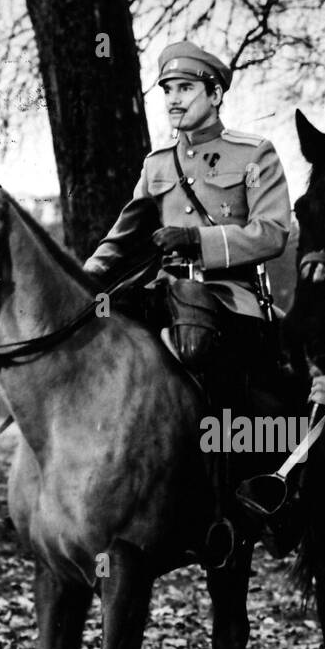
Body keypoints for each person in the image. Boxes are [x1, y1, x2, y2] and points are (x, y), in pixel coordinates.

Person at [84, 41, 298, 565]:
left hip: (231, 296)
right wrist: (82, 282)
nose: (174, 100)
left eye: (185, 89)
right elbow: (123, 236)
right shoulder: (158, 165)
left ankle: (232, 511)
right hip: (164, 290)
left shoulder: (255, 153)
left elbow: (272, 233)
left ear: (216, 92)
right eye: (168, 91)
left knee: (213, 366)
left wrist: (198, 241)